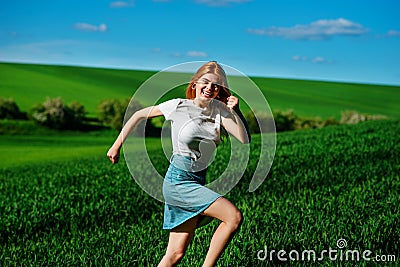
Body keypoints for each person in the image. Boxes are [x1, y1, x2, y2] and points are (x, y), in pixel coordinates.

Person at [107, 61, 251, 267]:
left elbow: (244, 139)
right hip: (178, 181)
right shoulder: (178, 106)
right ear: (195, 84)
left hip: (197, 180)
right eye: (205, 82)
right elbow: (138, 115)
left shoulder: (220, 113)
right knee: (233, 216)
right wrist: (116, 146)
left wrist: (237, 111)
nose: (210, 87)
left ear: (221, 90)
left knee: (175, 254)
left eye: (216, 85)